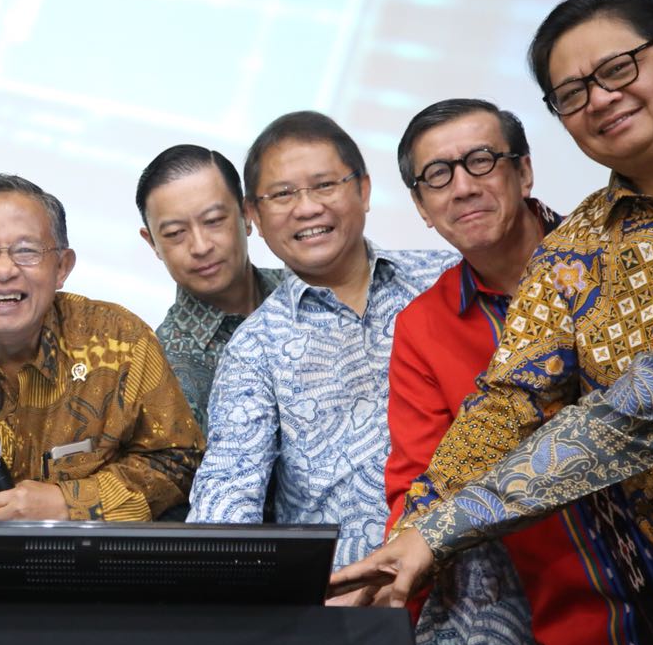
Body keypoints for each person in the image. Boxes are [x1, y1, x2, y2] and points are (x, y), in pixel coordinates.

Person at [333, 0, 653, 645]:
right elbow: (507, 402)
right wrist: (406, 546)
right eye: (572, 92)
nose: (600, 99)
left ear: (522, 168)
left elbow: (630, 412)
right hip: (598, 642)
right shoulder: (577, 253)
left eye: (619, 68)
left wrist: (437, 531)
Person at [187, 111, 456, 574]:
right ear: (254, 215)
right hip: (351, 601)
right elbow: (227, 494)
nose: (307, 208)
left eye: (325, 185)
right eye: (282, 194)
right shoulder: (255, 348)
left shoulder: (447, 279)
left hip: (495, 592)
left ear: (364, 190)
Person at [384, 99, 567, 645]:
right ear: (421, 205)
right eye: (438, 175)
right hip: (544, 624)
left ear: (524, 171)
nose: (462, 186)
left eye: (482, 161)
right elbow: (422, 478)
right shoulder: (424, 325)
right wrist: (388, 585)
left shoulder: (611, 258)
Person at [0, 173, 203, 521]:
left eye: (26, 251)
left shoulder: (121, 342)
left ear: (62, 267)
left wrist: (72, 503)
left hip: (92, 555)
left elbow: (180, 462)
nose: (3, 270)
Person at [136, 144, 284, 433]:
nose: (201, 246)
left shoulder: (311, 290)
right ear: (152, 243)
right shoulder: (161, 372)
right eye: (175, 233)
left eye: (214, 221)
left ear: (247, 214)